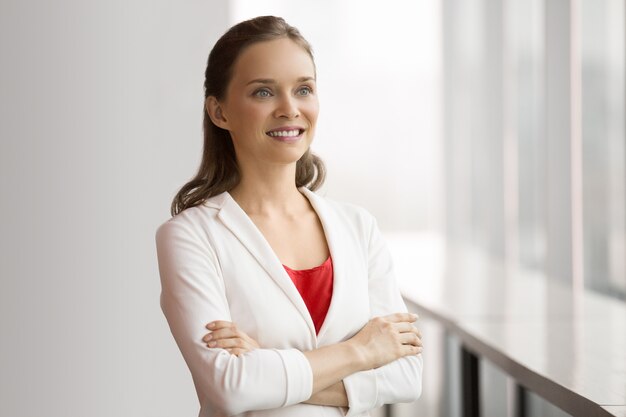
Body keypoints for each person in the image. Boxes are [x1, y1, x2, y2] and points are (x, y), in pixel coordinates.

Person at [155, 15, 423, 417]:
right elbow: (232, 388)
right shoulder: (190, 236)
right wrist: (363, 350)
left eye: (303, 89)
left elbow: (406, 375)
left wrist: (266, 362)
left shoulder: (358, 228)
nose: (289, 109)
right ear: (219, 111)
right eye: (263, 92)